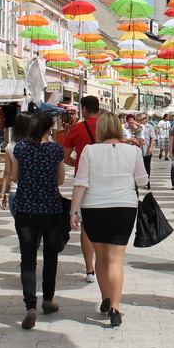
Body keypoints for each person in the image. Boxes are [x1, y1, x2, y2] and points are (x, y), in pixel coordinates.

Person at [69, 112, 148, 328]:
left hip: (94, 207)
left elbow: (81, 182)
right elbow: (142, 181)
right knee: (116, 259)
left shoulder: (89, 151)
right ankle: (115, 306)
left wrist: (73, 211)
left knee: (101, 257)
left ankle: (105, 297)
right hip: (124, 207)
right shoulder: (132, 150)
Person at [12, 112, 69, 330]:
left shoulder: (21, 148)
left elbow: (15, 177)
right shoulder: (55, 150)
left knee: (27, 258)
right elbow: (61, 179)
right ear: (49, 128)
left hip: (25, 208)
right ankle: (48, 299)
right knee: (50, 255)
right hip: (51, 209)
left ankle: (30, 305)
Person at [63, 96, 100, 284]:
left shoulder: (77, 128)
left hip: (83, 180)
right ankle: (104, 264)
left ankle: (90, 269)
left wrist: (77, 164)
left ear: (84, 109)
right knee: (103, 224)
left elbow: (65, 155)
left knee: (86, 226)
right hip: (105, 180)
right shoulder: (107, 126)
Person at [0, 113, 32, 218]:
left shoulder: (10, 146)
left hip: (15, 191)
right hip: (34, 192)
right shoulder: (36, 145)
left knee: (22, 230)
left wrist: (2, 194)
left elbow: (7, 172)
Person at [137, 113, 156, 189]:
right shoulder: (137, 127)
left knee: (147, 166)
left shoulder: (149, 127)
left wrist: (151, 147)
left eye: (144, 118)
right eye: (141, 118)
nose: (143, 120)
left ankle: (148, 182)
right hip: (138, 150)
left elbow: (153, 138)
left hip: (146, 150)